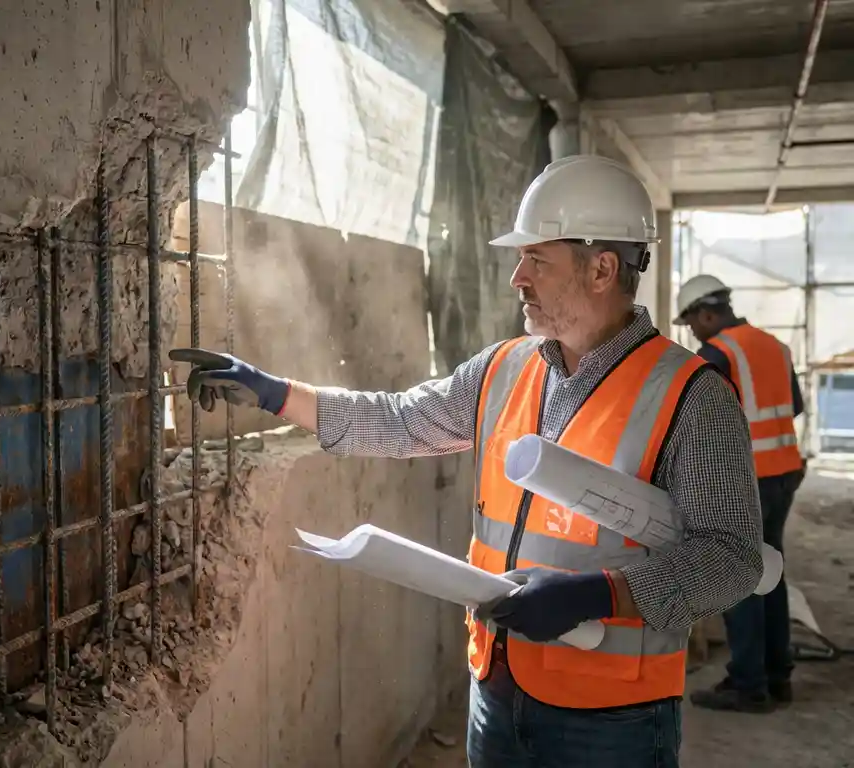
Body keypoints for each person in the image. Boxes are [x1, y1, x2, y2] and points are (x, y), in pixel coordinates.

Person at [170, 155, 764, 768]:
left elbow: (732, 559)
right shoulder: (503, 368)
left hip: (612, 719)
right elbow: (401, 420)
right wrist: (275, 394)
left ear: (602, 269)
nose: (517, 278)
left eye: (537, 259)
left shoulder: (692, 396)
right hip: (496, 687)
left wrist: (600, 594)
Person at [674, 274, 806, 713]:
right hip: (785, 471)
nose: (694, 331)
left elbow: (700, 422)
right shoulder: (775, 346)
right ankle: (777, 675)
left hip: (747, 479)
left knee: (738, 574)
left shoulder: (716, 354)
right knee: (771, 569)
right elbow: (794, 406)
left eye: (693, 322)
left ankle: (749, 684)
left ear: (706, 314)